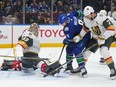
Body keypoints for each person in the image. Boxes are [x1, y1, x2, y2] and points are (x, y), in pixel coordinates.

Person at [72, 6, 116, 80]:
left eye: (88, 15)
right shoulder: (86, 19)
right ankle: (81, 67)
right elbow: (85, 29)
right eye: (85, 16)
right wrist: (79, 36)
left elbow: (112, 29)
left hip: (107, 36)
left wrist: (103, 37)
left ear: (93, 13)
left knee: (103, 51)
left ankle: (112, 69)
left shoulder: (102, 18)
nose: (87, 17)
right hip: (96, 38)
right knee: (86, 53)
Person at [58, 10, 91, 77]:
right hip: (78, 34)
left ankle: (82, 68)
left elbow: (70, 40)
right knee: (69, 49)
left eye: (62, 23)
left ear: (66, 21)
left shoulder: (69, 28)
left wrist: (66, 40)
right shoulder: (70, 15)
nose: (61, 25)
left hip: (84, 36)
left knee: (77, 50)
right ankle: (69, 66)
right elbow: (80, 12)